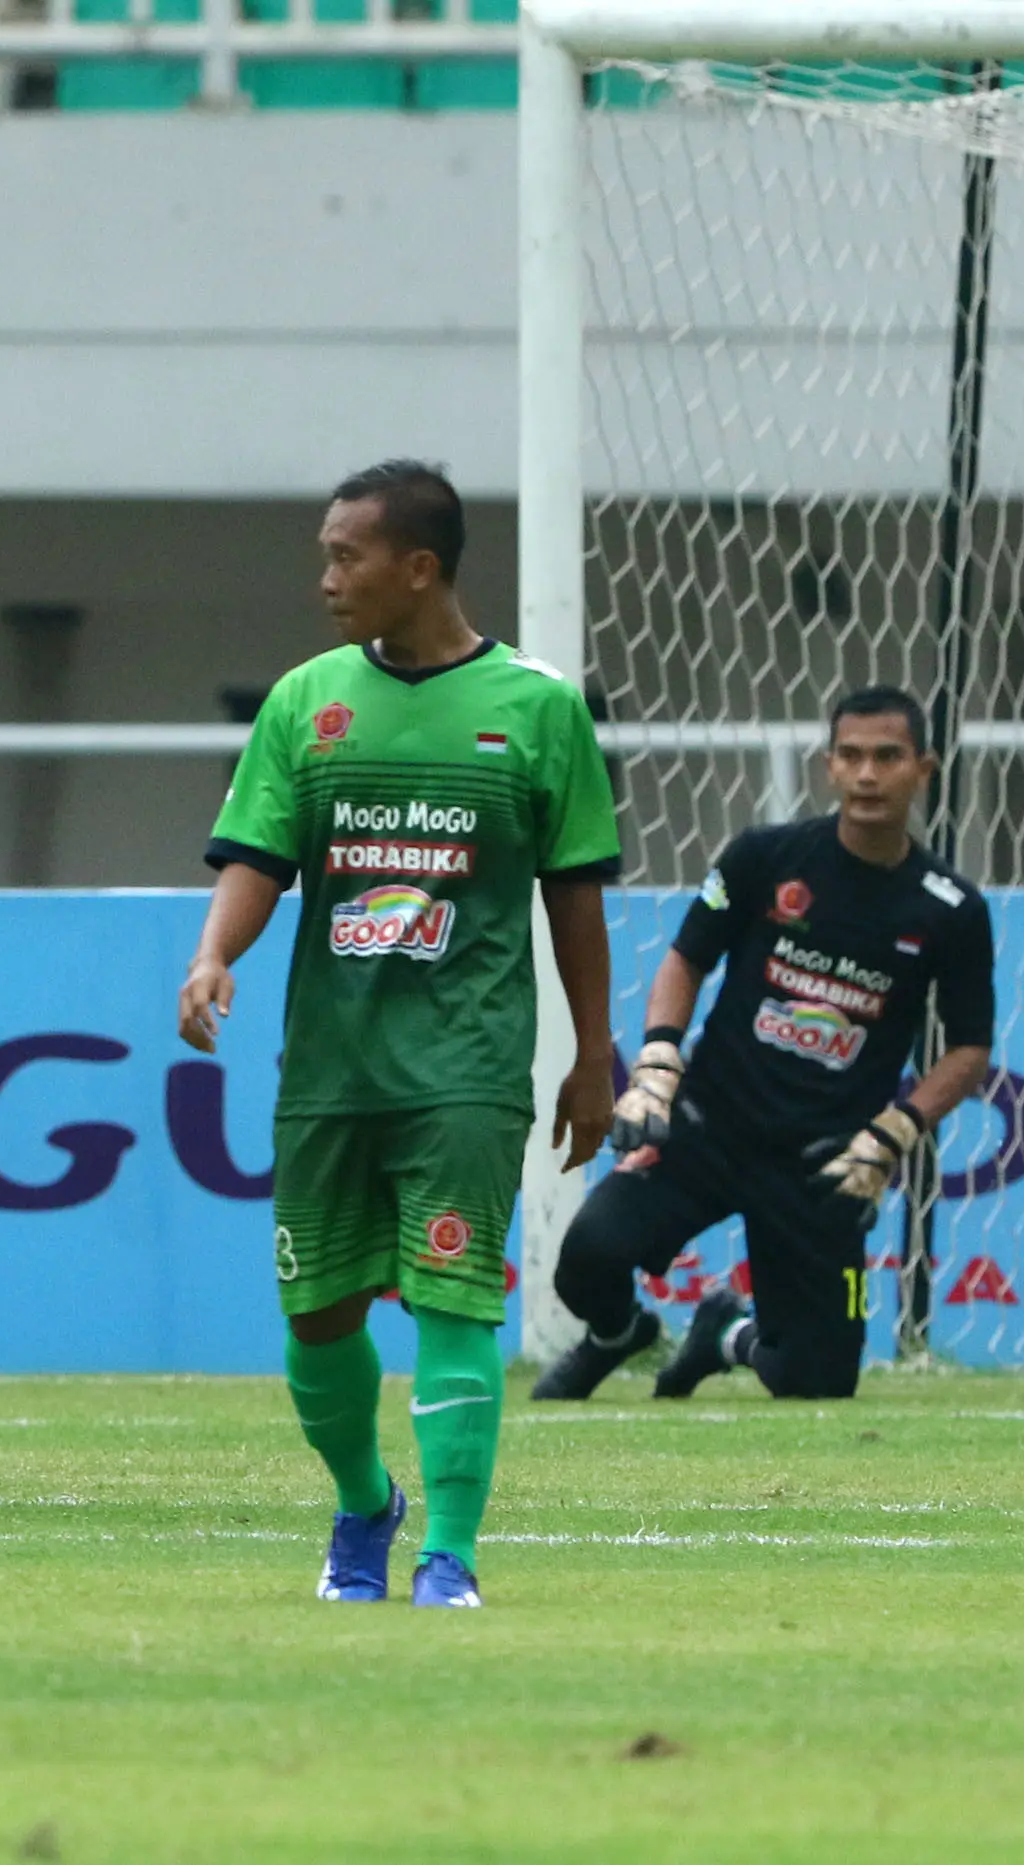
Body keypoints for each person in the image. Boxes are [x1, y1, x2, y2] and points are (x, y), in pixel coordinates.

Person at [178, 460, 620, 1610]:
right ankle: (364, 1500)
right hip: (329, 1066)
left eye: (344, 555)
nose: (325, 577)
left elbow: (575, 893)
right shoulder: (303, 698)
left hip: (466, 1067)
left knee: (454, 1297)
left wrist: (590, 1050)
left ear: (416, 567)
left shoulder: (534, 706)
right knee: (314, 1316)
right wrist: (211, 953)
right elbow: (260, 856)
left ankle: (449, 1555)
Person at [535, 688, 995, 1404]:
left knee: (816, 1384)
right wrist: (657, 1061)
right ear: (828, 767)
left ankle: (725, 1335)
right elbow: (686, 957)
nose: (867, 773)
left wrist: (892, 1133)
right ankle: (617, 1333)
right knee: (587, 1257)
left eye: (887, 756)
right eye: (851, 755)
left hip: (824, 1158)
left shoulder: (950, 908)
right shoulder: (765, 857)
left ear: (924, 769)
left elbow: (968, 1049)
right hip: (707, 1124)